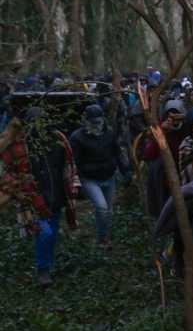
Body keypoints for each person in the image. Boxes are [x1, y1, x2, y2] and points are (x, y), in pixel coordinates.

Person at [2, 108, 80, 287]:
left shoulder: (58, 140)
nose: (40, 126)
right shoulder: (21, 146)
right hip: (34, 200)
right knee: (45, 233)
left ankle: (48, 267)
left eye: (42, 121)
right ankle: (42, 270)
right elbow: (10, 170)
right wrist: (18, 189)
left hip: (56, 197)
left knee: (51, 235)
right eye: (35, 122)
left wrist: (72, 187)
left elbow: (68, 165)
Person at [69, 104, 129, 249]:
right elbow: (74, 162)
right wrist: (76, 183)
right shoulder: (77, 138)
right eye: (93, 122)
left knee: (108, 211)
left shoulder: (109, 133)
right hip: (90, 179)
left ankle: (104, 237)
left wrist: (125, 171)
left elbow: (117, 153)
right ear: (87, 121)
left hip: (109, 176)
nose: (97, 125)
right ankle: (102, 240)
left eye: (99, 121)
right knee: (101, 207)